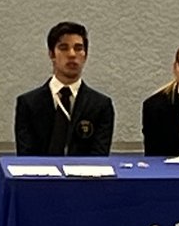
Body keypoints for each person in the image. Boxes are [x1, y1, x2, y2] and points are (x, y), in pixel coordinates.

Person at [14, 21, 114, 155]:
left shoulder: (100, 105)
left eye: (78, 48)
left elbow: (99, 157)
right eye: (64, 48)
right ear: (52, 54)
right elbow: (26, 157)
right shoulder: (29, 104)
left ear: (85, 55)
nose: (72, 54)